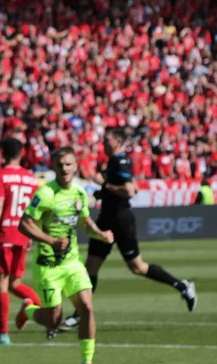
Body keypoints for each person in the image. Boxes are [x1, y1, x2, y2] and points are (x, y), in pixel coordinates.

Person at [61, 128, 196, 329]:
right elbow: (116, 189)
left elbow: (128, 191)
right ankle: (80, 314)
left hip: (121, 221)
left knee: (137, 267)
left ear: (117, 141)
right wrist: (95, 196)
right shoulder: (113, 162)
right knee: (91, 267)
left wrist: (105, 185)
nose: (103, 143)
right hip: (105, 220)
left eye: (107, 140)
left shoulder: (121, 161)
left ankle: (182, 285)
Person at [16, 147, 115, 364]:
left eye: (69, 164)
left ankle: (86, 363)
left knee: (87, 307)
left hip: (72, 263)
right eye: (60, 165)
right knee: (53, 320)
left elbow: (84, 222)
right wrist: (50, 240)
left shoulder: (79, 193)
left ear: (76, 166)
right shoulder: (46, 194)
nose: (64, 169)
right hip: (48, 266)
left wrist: (100, 234)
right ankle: (29, 310)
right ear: (53, 167)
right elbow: (24, 224)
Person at [0, 138, 42, 345]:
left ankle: (2, 334)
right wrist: (32, 234)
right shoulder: (30, 178)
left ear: (2, 153)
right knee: (14, 283)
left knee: (0, 284)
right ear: (22, 153)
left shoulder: (0, 176)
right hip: (23, 234)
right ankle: (33, 305)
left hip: (5, 233)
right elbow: (34, 211)